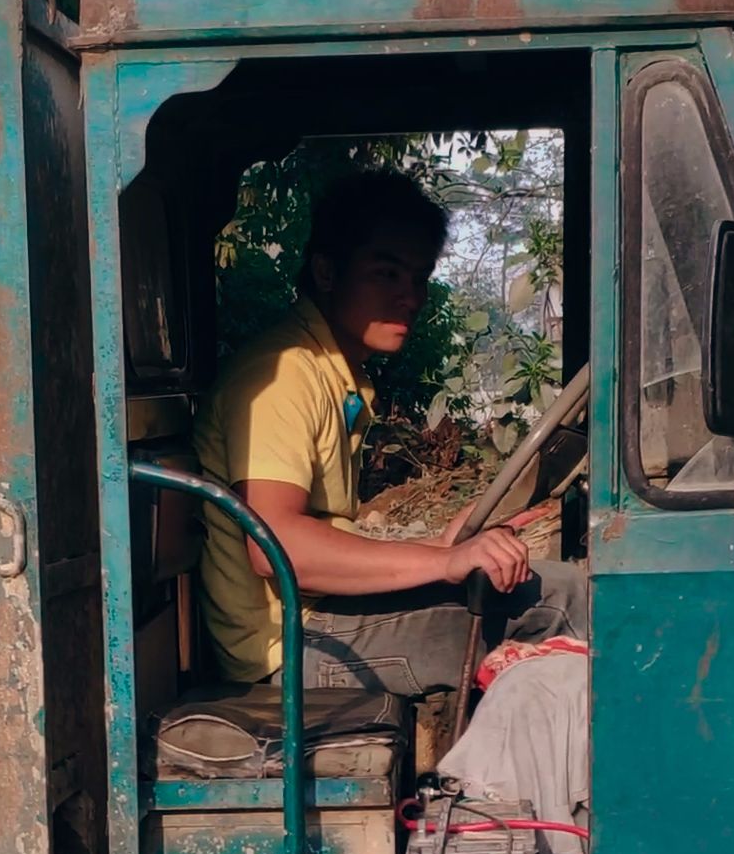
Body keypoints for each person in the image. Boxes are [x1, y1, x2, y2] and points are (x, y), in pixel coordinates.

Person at [189, 169, 583, 702]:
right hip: (291, 647)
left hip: (319, 615)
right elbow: (275, 546)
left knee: (553, 586)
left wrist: (437, 548)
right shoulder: (281, 375)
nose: (410, 298)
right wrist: (442, 564)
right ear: (328, 272)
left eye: (418, 278)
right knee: (565, 605)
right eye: (386, 273)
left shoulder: (333, 373)